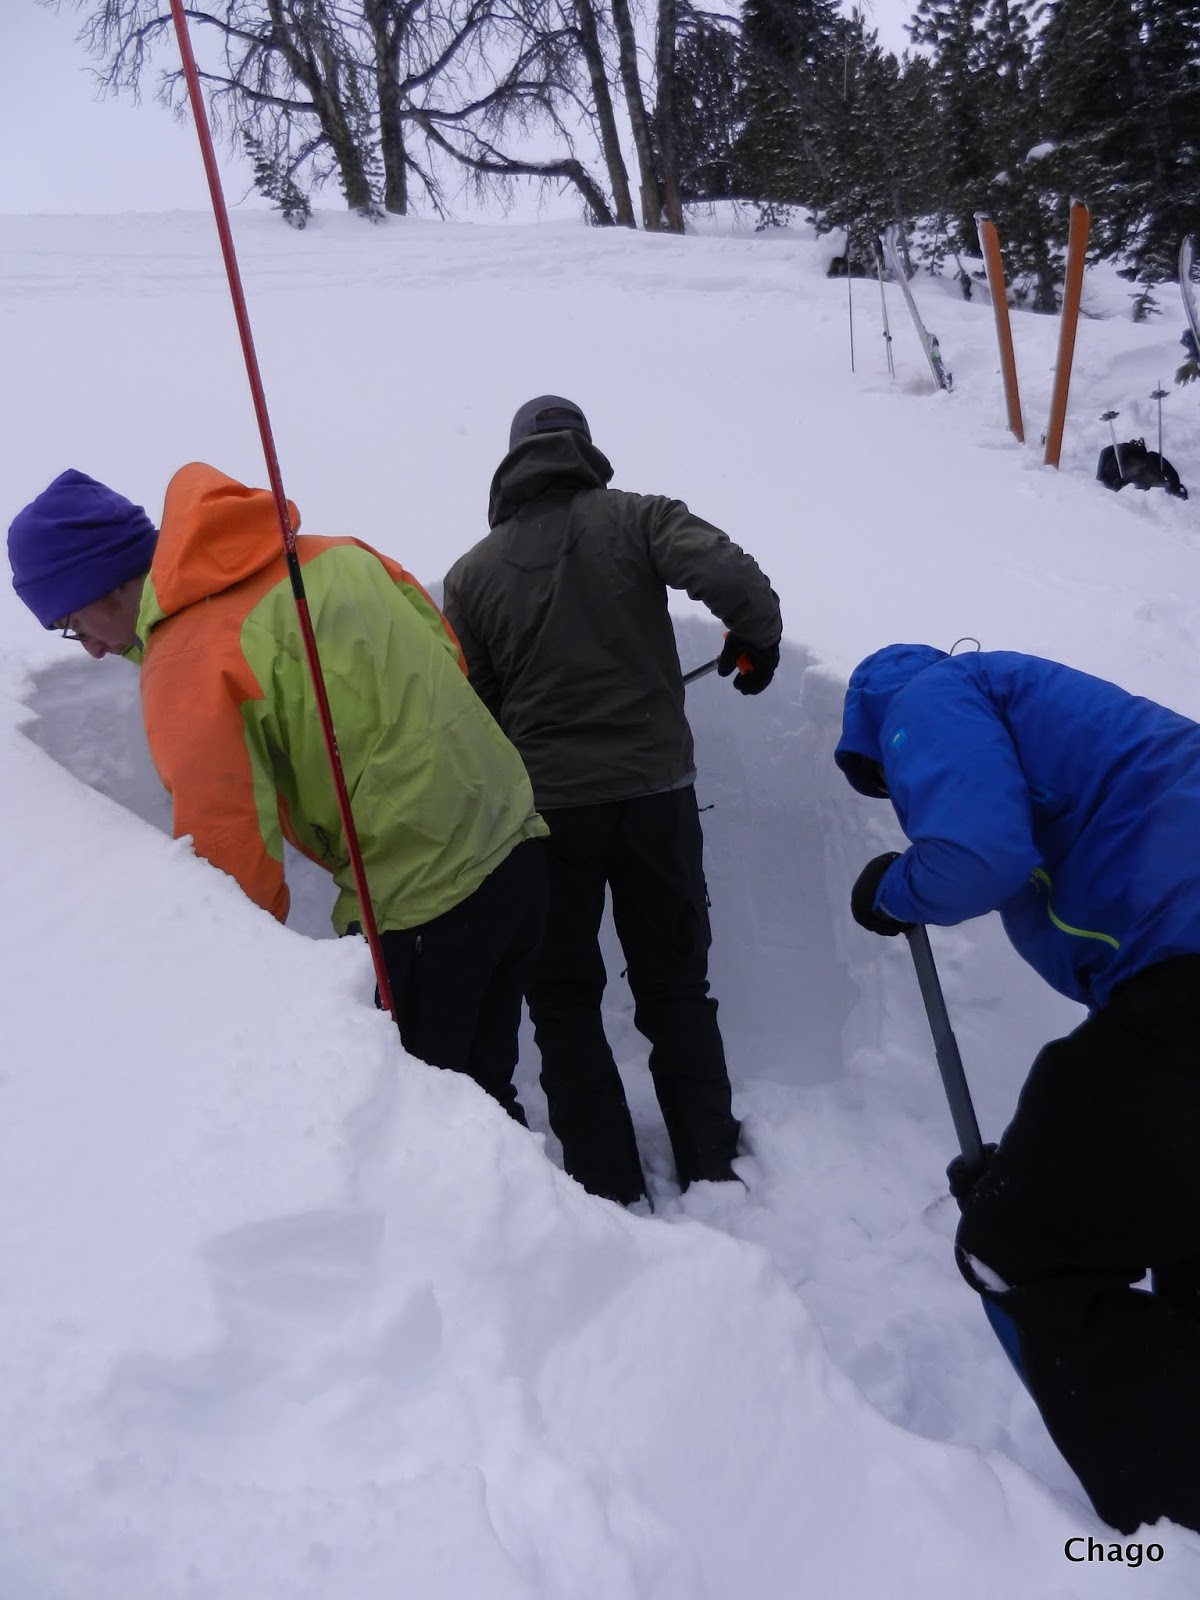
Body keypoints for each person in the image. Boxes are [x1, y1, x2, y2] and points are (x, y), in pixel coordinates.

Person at [8, 462, 549, 1121]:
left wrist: (246, 998)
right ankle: (539, 1217)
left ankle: (515, 1225)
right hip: (515, 842)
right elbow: (446, 655)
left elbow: (230, 848)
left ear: (102, 583)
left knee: (435, 1127)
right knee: (487, 1092)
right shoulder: (336, 556)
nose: (86, 649)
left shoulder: (187, 660)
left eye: (71, 622)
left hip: (422, 903)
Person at [835, 641, 1200, 1536]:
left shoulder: (924, 691)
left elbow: (977, 856)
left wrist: (896, 887)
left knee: (1014, 1242)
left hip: (1188, 984)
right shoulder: (1035, 706)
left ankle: (1173, 1504)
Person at [442, 395, 783, 1205]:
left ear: (513, 460)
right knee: (674, 984)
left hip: (550, 813)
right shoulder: (636, 518)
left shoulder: (472, 575)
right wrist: (756, 637)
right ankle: (709, 1164)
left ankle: (605, 1184)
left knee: (561, 997)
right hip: (655, 796)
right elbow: (732, 576)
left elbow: (479, 712)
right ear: (583, 448)